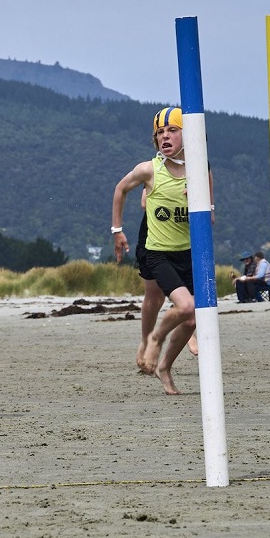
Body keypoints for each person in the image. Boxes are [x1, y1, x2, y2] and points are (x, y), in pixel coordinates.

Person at [107, 108, 204, 393]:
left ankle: (165, 365)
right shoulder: (149, 169)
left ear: (189, 135)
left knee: (192, 316)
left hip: (187, 249)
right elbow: (125, 192)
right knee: (166, 300)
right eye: (160, 133)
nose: (165, 136)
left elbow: (210, 213)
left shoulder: (200, 168)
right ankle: (151, 339)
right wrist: (117, 230)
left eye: (171, 130)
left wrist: (200, 197)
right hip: (156, 246)